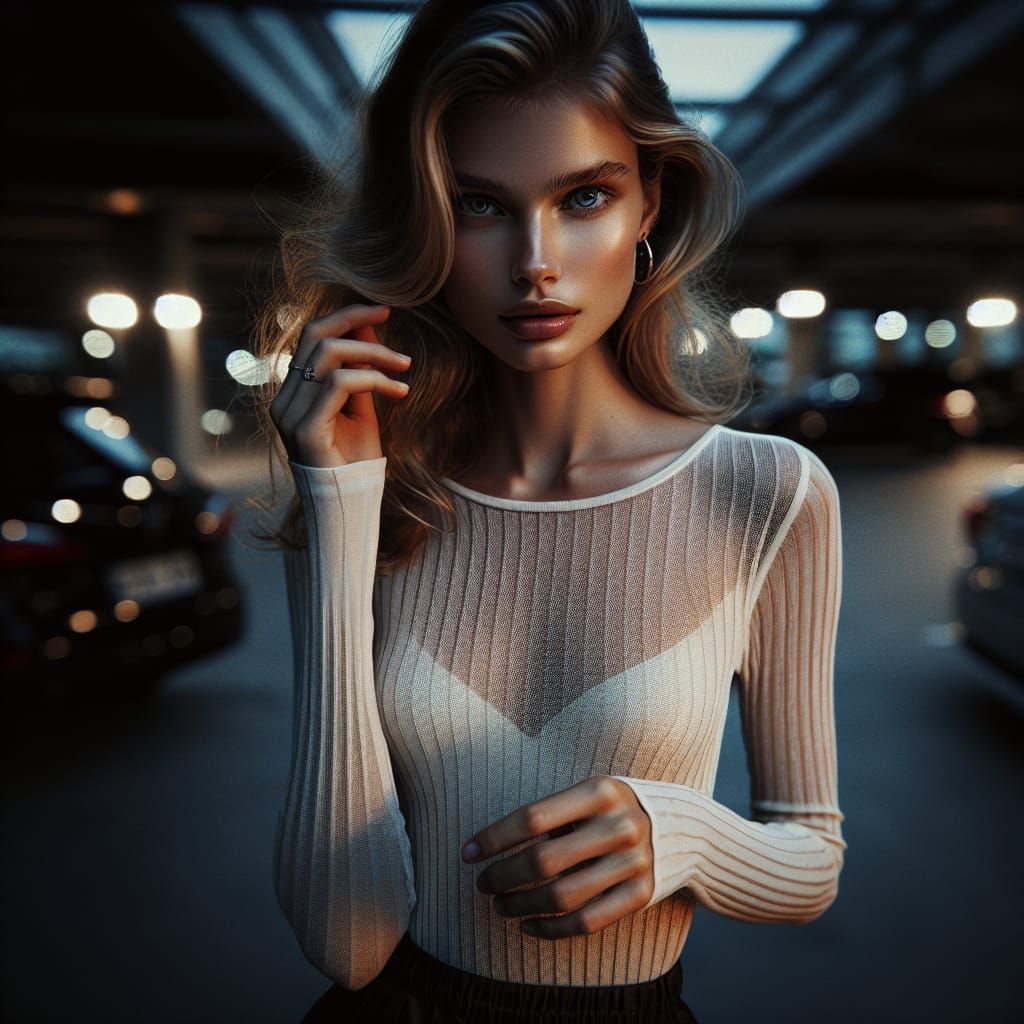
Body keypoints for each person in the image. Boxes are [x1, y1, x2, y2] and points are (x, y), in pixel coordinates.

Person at [254, 1, 847, 1020]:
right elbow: (345, 945)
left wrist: (684, 834)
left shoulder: (769, 491)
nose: (535, 259)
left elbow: (812, 856)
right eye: (479, 205)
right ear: (428, 222)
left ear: (650, 201)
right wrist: (341, 496)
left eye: (582, 196)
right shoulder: (368, 492)